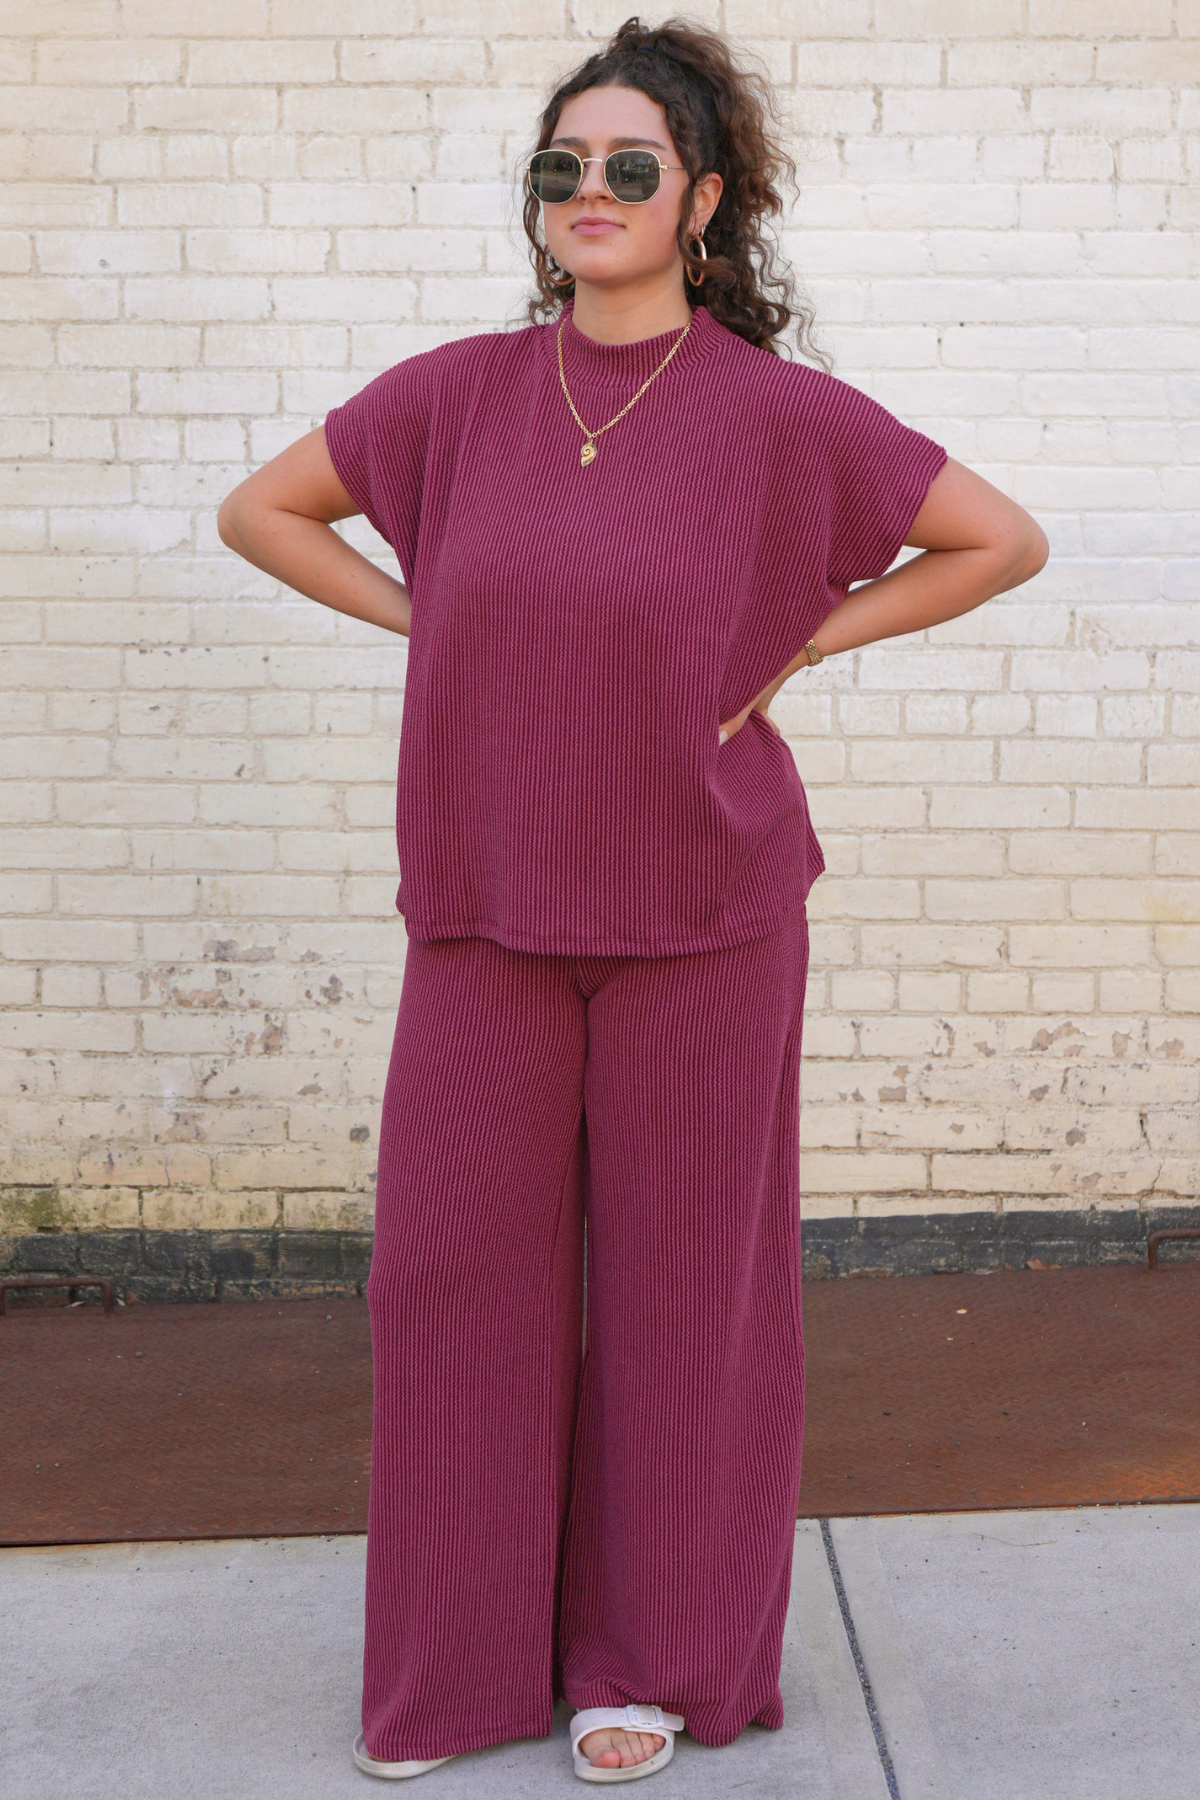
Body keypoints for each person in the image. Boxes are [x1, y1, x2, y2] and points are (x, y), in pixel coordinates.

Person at [217, 14, 1048, 1785]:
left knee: (685, 1303)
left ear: (704, 200)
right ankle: (454, 1673)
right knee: (446, 1282)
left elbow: (999, 539)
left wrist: (796, 645)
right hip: (486, 902)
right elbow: (262, 512)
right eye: (560, 166)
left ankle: (647, 1663)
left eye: (627, 167)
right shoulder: (454, 397)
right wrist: (436, 621)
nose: (586, 192)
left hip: (707, 912)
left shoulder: (777, 413)